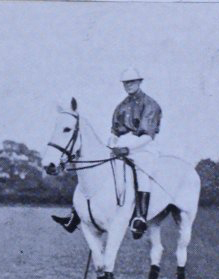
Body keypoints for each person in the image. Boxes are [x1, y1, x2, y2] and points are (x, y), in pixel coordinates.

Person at [51, 67, 161, 239]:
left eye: (132, 82)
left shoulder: (151, 105)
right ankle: (75, 216)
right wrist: (110, 145)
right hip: (120, 146)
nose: (128, 85)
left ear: (139, 82)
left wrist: (128, 149)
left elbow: (148, 135)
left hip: (143, 147)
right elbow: (114, 132)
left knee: (141, 174)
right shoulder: (121, 106)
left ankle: (139, 217)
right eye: (126, 83)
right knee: (93, 172)